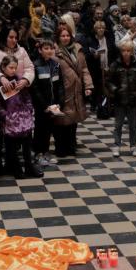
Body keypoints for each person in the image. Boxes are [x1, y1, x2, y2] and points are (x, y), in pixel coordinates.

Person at [0, 56, 42, 178]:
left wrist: (29, 109)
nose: (13, 70)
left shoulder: (19, 81)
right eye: (10, 67)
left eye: (15, 68)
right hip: (9, 121)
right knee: (11, 146)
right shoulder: (0, 84)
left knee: (27, 145)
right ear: (3, 67)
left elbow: (27, 97)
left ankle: (29, 167)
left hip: (23, 119)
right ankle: (15, 168)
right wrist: (5, 116)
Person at [54, 22, 94, 156]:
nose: (65, 38)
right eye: (62, 36)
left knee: (73, 120)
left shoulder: (78, 49)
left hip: (77, 89)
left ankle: (71, 145)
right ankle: (62, 147)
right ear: (58, 37)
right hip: (64, 90)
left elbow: (84, 69)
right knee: (63, 120)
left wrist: (88, 86)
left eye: (67, 35)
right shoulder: (55, 52)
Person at [105, 40, 136, 158]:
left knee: (133, 125)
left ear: (132, 52)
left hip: (133, 99)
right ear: (120, 51)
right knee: (118, 124)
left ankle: (133, 145)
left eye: (128, 51)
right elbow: (108, 81)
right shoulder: (115, 64)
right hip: (119, 99)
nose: (126, 53)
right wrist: (115, 90)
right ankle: (116, 145)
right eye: (124, 50)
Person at [31, 40, 64, 167]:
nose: (49, 50)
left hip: (53, 105)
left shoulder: (56, 64)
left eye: (51, 48)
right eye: (46, 48)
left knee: (49, 130)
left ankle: (45, 152)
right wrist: (44, 105)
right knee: (40, 129)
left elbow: (60, 85)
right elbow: (35, 89)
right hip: (42, 106)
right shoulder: (36, 65)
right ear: (40, 50)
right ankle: (37, 154)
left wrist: (59, 103)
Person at [85, 20, 116, 118]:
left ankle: (106, 105)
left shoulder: (109, 39)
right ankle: (96, 105)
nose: (101, 29)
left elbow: (114, 52)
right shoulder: (91, 40)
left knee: (106, 88)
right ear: (95, 29)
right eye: (98, 28)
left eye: (102, 28)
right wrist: (94, 55)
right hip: (96, 67)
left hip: (108, 66)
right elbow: (87, 54)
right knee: (97, 87)